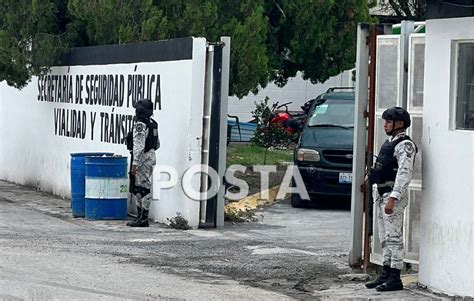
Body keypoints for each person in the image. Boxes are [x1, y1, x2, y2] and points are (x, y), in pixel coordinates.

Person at [365, 107, 417, 292]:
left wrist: (393, 197)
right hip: (381, 193)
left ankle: (395, 276)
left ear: (400, 124)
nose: (385, 124)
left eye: (389, 121)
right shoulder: (390, 142)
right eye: (385, 120)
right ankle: (385, 273)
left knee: (394, 237)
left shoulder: (405, 145)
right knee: (385, 237)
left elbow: (404, 173)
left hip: (392, 195)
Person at [126, 99, 160, 227]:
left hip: (142, 158)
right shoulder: (153, 123)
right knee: (140, 186)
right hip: (150, 155)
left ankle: (143, 218)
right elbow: (157, 144)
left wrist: (135, 163)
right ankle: (140, 217)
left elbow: (138, 146)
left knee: (143, 188)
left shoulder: (140, 125)